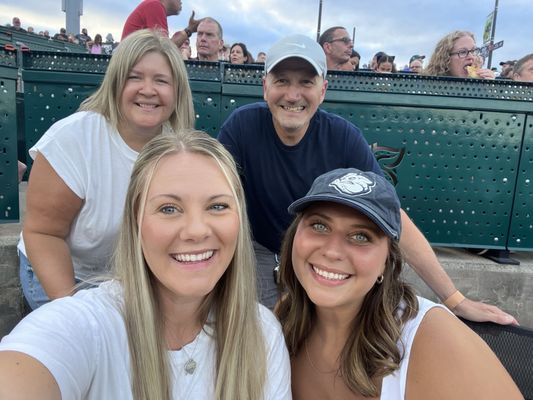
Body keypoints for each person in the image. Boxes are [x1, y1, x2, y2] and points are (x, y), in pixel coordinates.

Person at [217, 33, 517, 325]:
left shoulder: (342, 137)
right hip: (262, 249)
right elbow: (217, 202)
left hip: (320, 250)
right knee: (263, 333)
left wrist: (454, 299)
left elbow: (392, 217)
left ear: (322, 90)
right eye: (282, 81)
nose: (293, 95)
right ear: (265, 86)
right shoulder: (242, 126)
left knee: (324, 331)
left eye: (306, 82)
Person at [0, 132, 291, 399]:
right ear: (135, 221)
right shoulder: (87, 326)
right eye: (168, 208)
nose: (196, 230)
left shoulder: (262, 332)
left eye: (217, 206)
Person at [275, 168, 523, 400]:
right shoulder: (287, 316)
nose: (332, 251)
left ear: (386, 261)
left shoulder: (431, 338)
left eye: (361, 236)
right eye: (319, 225)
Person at [18, 29, 195, 310]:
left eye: (161, 80)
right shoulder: (73, 139)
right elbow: (43, 234)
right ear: (115, 83)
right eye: (134, 77)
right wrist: (73, 311)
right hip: (66, 273)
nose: (148, 90)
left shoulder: (180, 148)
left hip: (126, 278)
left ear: (177, 92)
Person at [121, 0, 200, 49]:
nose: (181, 1)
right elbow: (164, 50)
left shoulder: (153, 5)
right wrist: (190, 30)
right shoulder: (155, 5)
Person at [425, 31, 495, 79]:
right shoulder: (427, 87)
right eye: (463, 52)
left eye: (473, 51)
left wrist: (490, 88)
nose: (471, 57)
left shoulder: (478, 85)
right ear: (446, 59)